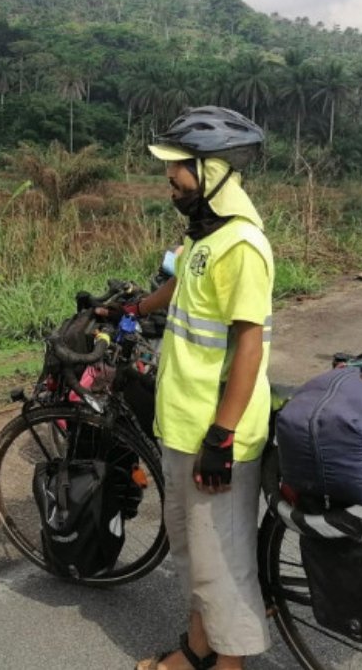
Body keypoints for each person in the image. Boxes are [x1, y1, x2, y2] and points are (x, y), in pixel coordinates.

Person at [130, 106, 275, 670]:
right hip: (183, 424)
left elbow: (249, 345)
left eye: (178, 172)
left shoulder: (242, 247)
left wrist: (222, 434)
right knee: (195, 556)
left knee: (223, 564)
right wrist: (133, 308)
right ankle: (196, 651)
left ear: (211, 172)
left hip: (217, 432)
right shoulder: (205, 236)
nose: (170, 182)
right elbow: (178, 286)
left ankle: (229, 665)